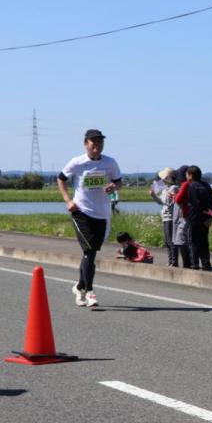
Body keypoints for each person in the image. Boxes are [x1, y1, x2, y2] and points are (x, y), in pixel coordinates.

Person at [57, 128, 122, 307]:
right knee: (89, 251)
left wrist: (113, 187)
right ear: (86, 144)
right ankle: (90, 291)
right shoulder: (77, 162)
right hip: (81, 212)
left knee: (91, 254)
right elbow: (60, 178)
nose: (97, 146)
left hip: (102, 213)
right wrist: (68, 200)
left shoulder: (110, 162)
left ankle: (79, 287)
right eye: (94, 142)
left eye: (100, 142)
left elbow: (119, 181)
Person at [174, 165, 212, 269]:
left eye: (187, 174)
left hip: (193, 218)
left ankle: (195, 264)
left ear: (190, 175)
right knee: (204, 242)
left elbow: (193, 203)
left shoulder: (191, 186)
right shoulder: (206, 185)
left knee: (192, 242)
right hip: (206, 219)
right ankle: (206, 264)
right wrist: (211, 218)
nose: (186, 176)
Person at [152, 167, 180, 266]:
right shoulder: (166, 189)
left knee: (170, 240)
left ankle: (174, 261)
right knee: (167, 241)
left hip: (170, 217)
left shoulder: (174, 188)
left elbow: (169, 202)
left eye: (164, 177)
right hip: (165, 216)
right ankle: (170, 261)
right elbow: (161, 202)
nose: (162, 179)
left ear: (168, 177)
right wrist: (153, 196)